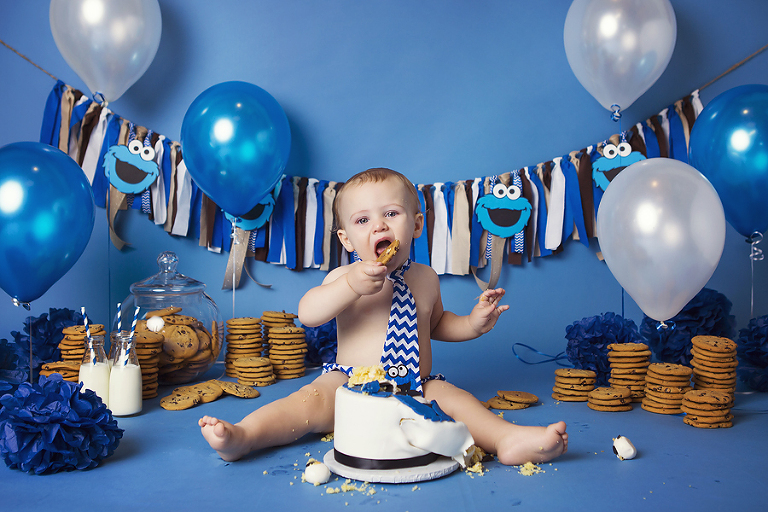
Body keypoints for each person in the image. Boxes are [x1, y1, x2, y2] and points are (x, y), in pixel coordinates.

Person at [199, 168, 568, 465]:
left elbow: (436, 324)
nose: (379, 226)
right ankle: (245, 437)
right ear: (345, 240)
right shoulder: (344, 277)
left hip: (416, 383)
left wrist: (473, 323)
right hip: (349, 382)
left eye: (391, 214)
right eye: (363, 220)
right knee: (304, 404)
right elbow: (309, 314)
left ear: (417, 225)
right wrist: (351, 287)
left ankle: (508, 439)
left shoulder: (425, 279)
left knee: (459, 401)